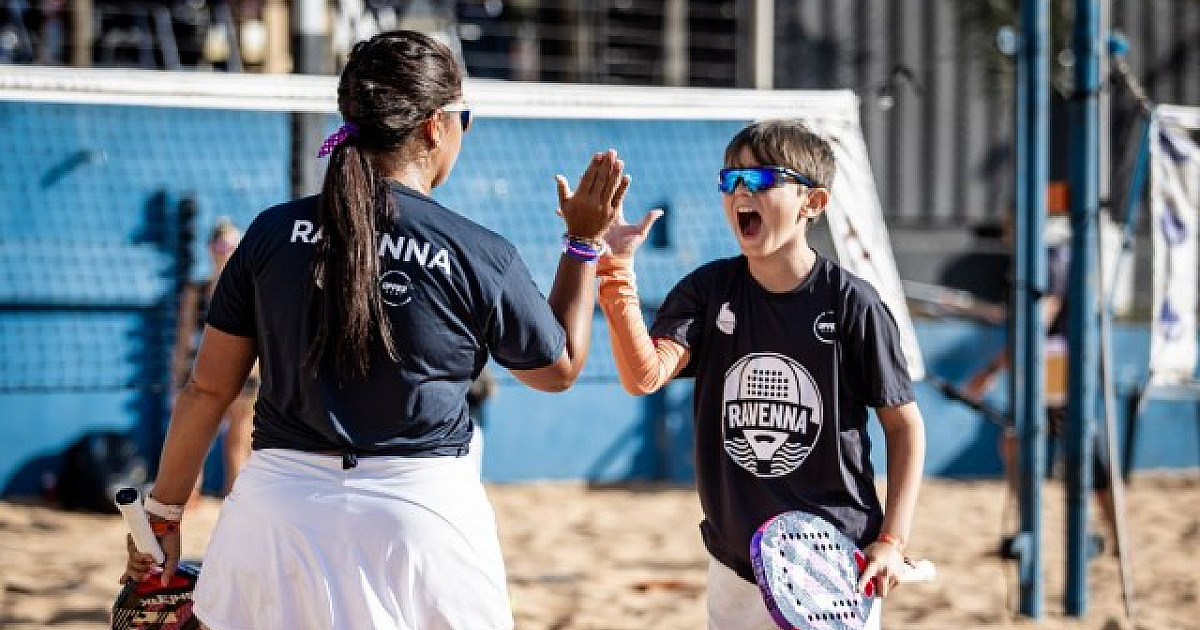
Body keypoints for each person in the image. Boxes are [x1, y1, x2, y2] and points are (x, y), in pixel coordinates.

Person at [122, 29, 625, 630]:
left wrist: (163, 516)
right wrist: (584, 243)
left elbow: (206, 391)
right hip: (419, 525)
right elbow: (559, 366)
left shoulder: (270, 234)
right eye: (466, 116)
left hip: (274, 520)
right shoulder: (477, 252)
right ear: (437, 125)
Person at [595, 120, 927, 630]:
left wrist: (891, 541)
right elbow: (644, 376)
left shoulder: (852, 303)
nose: (743, 192)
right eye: (732, 181)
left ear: (812, 203)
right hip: (736, 562)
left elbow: (903, 426)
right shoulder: (708, 290)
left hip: (831, 562)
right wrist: (616, 270)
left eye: (764, 179)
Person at [962, 216, 1117, 555]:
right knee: (1017, 441)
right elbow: (1032, 318)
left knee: (1078, 448)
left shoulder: (1047, 258)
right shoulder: (1043, 260)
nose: (1006, 234)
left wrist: (991, 370)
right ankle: (1030, 528)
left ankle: (1100, 532)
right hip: (1056, 364)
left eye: (1008, 227)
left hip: (1059, 366)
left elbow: (1038, 323)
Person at [171, 218, 257, 498]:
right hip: (203, 371)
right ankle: (188, 499)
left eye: (232, 244)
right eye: (221, 244)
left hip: (245, 375)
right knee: (195, 440)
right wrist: (177, 377)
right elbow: (184, 338)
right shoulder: (197, 290)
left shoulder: (251, 288)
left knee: (238, 442)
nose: (226, 250)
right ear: (210, 248)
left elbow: (261, 338)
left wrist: (259, 374)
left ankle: (234, 499)